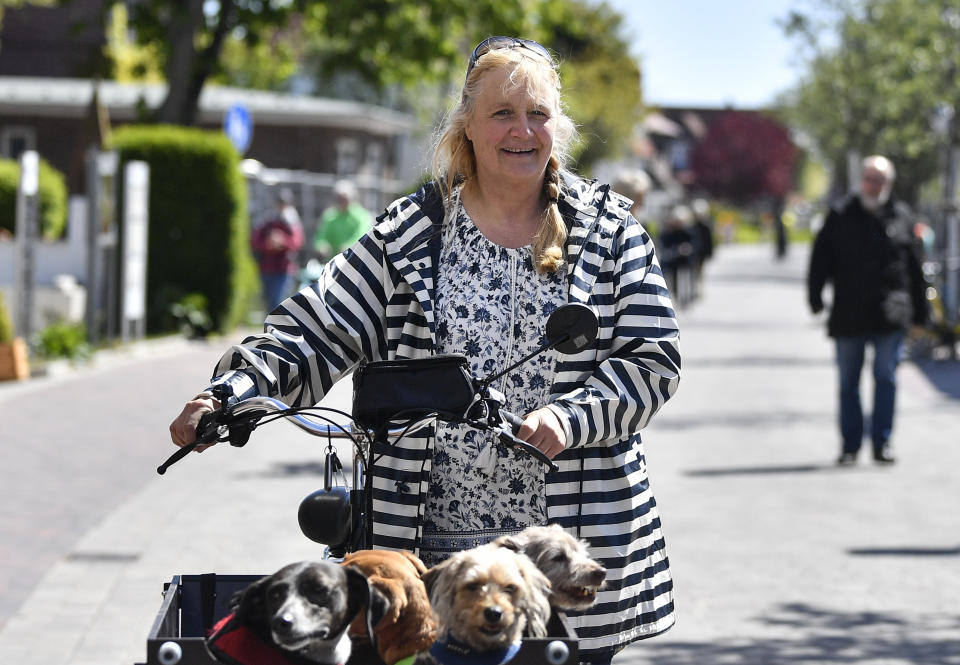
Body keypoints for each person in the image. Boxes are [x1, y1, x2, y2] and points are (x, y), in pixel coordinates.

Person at [169, 36, 681, 664]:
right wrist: (233, 393)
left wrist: (570, 418)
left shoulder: (610, 231)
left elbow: (652, 359)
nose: (522, 131)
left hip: (556, 560)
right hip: (431, 558)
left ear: (558, 126)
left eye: (538, 114)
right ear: (467, 124)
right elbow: (318, 328)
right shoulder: (410, 232)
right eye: (502, 114)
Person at [807, 155, 928, 465]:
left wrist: (921, 313)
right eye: (869, 179)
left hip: (891, 311)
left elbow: (915, 269)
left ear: (888, 184)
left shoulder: (902, 216)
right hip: (849, 311)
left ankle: (882, 443)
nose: (874, 186)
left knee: (885, 376)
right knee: (849, 381)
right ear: (861, 180)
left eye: (880, 180)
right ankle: (850, 445)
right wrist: (816, 296)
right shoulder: (840, 215)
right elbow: (820, 259)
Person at [250, 188, 304, 312]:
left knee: (278, 303)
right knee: (269, 303)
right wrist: (268, 244)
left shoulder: (292, 222)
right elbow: (255, 241)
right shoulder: (268, 220)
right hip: (267, 268)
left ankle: (276, 330)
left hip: (284, 270)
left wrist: (282, 240)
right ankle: (271, 329)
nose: (281, 206)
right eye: (280, 202)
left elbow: (297, 243)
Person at [314, 179, 374, 261]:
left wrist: (348, 247)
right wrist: (322, 246)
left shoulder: (362, 216)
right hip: (332, 263)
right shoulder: (330, 216)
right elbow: (321, 237)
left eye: (345, 198)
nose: (342, 201)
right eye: (339, 198)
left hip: (356, 262)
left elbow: (362, 236)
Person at [690, 198, 715, 297]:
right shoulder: (692, 226)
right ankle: (694, 288)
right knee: (693, 271)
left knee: (700, 271)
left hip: (702, 253)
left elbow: (709, 241)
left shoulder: (706, 227)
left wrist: (710, 253)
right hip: (693, 252)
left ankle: (698, 289)